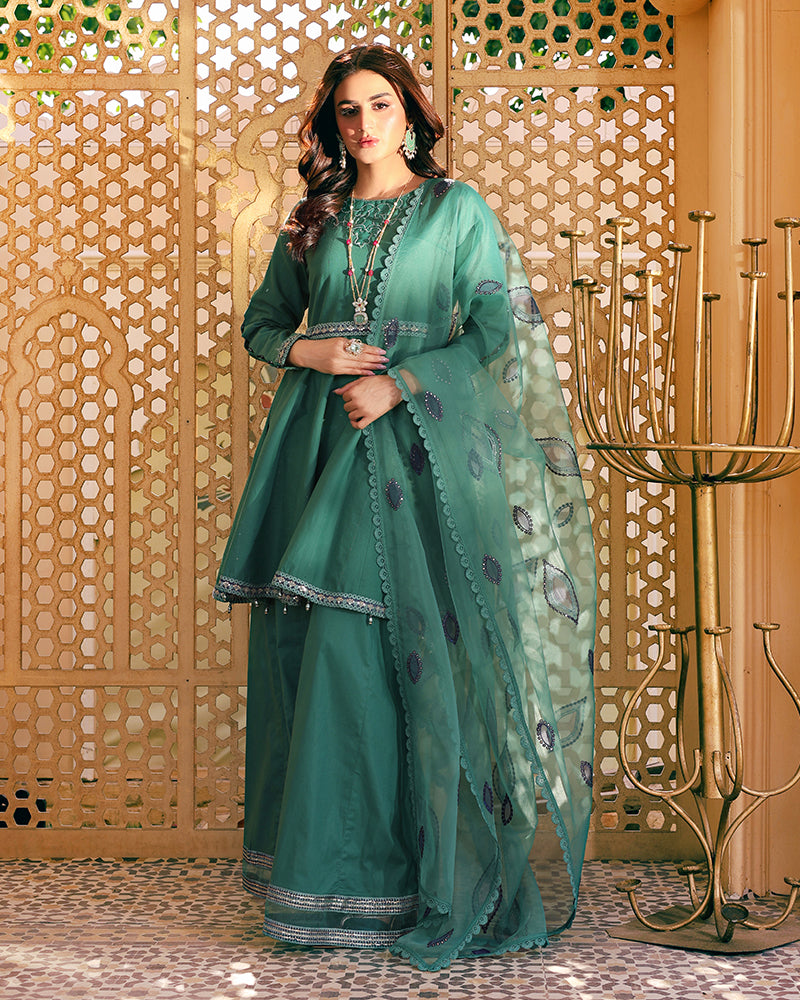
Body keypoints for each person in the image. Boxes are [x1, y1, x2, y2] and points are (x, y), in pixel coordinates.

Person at [214, 43, 596, 971]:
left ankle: (429, 882)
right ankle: (333, 887)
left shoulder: (456, 210)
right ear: (331, 124)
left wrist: (403, 383)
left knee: (401, 659)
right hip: (319, 452)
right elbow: (262, 324)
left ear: (412, 115)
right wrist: (311, 351)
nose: (364, 124)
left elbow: (497, 328)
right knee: (329, 656)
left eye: (380, 105)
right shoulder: (315, 221)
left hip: (419, 454)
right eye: (347, 110)